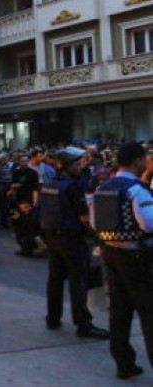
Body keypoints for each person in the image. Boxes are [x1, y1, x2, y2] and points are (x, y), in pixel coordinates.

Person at [93, 141, 153, 379]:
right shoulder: (136, 189)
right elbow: (148, 223)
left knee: (119, 311)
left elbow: (96, 224)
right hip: (136, 257)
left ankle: (124, 363)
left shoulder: (102, 188)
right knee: (149, 311)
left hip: (111, 254)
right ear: (138, 160)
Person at [39, 147, 109, 339]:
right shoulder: (72, 186)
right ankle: (83, 324)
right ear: (67, 165)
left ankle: (53, 318)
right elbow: (84, 217)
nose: (80, 167)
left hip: (53, 237)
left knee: (55, 279)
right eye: (77, 164)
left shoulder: (49, 182)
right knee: (78, 281)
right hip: (71, 238)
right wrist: (97, 234)